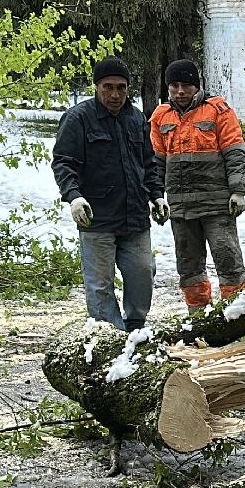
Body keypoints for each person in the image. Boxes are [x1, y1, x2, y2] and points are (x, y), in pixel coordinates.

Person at [53, 56, 162, 331]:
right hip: (96, 218)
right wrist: (74, 196)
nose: (115, 94)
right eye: (108, 87)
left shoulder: (136, 119)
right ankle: (109, 337)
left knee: (142, 273)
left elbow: (148, 162)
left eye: (121, 88)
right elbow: (63, 162)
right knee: (99, 284)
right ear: (97, 87)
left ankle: (135, 327)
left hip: (135, 216)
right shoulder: (78, 119)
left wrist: (157, 195)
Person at [148, 59, 245, 310]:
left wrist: (238, 191)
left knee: (228, 259)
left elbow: (234, 152)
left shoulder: (218, 110)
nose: (180, 91)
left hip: (217, 205)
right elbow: (155, 162)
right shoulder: (160, 117)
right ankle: (198, 317)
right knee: (189, 266)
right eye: (174, 86)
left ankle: (237, 312)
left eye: (186, 85)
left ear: (197, 86)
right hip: (181, 208)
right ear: (168, 88)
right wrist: (156, 195)